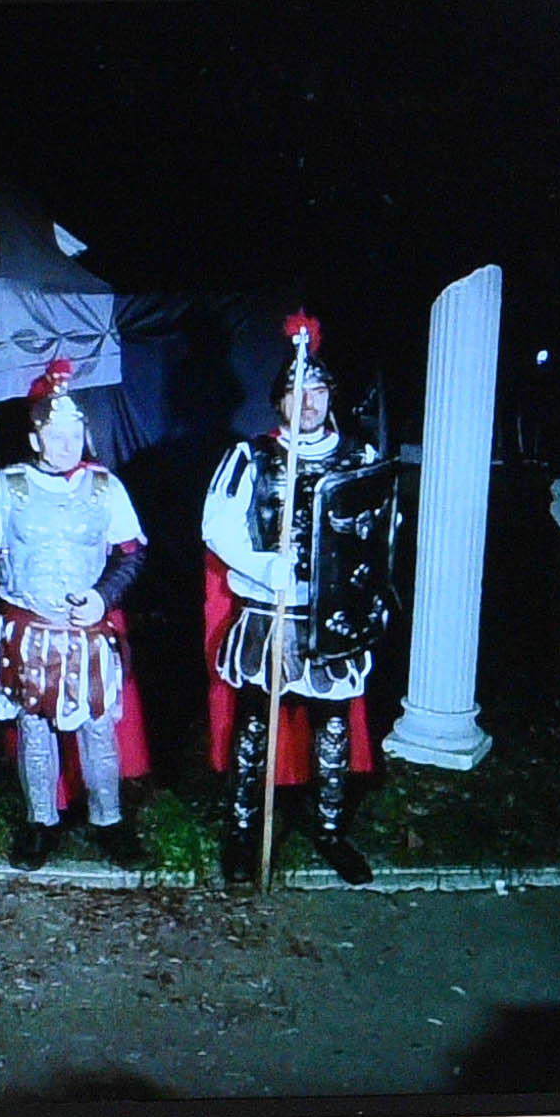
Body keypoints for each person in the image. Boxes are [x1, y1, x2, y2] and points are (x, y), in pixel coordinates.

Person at [200, 313, 398, 890]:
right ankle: (243, 829)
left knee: (333, 727)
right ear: (279, 401)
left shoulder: (360, 458)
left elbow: (383, 530)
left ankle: (331, 829)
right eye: (295, 391)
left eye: (316, 389)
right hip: (270, 612)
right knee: (254, 725)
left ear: (329, 394)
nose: (307, 401)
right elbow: (217, 527)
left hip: (331, 615)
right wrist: (265, 567)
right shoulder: (251, 458)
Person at [0, 360, 152, 873]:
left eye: (74, 433)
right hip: (28, 632)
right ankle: (40, 822)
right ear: (36, 438)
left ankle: (110, 821)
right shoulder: (4, 487)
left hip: (87, 635)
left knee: (98, 730)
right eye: (55, 434)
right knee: (34, 729)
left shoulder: (106, 487)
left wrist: (104, 597)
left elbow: (132, 554)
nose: (66, 444)